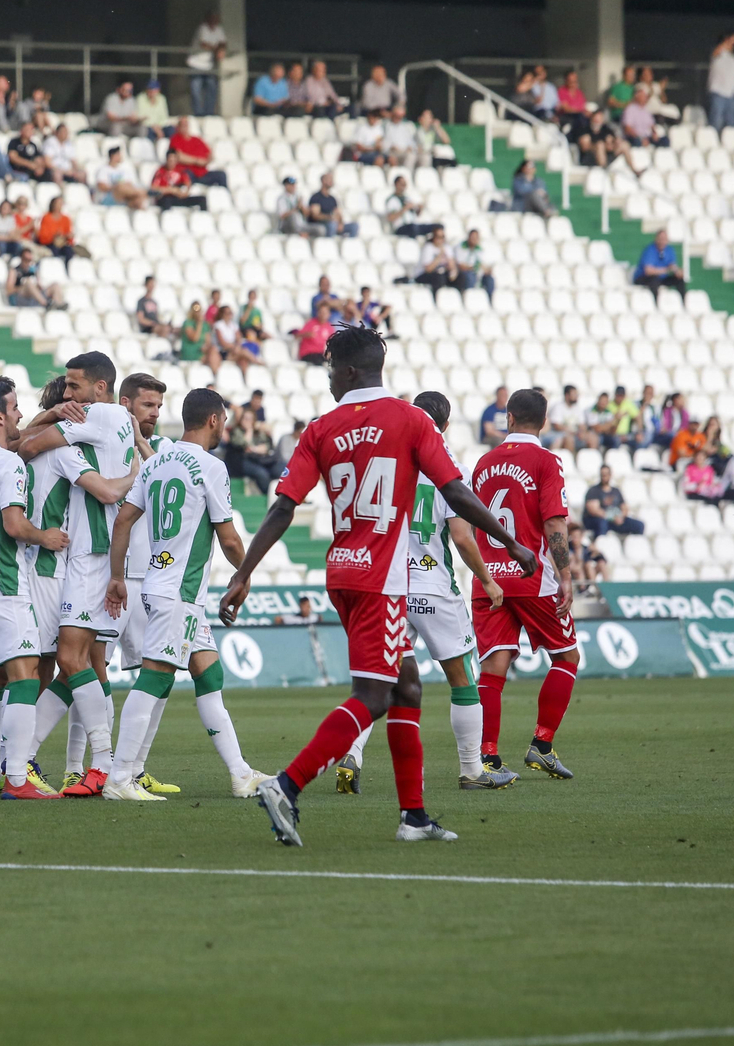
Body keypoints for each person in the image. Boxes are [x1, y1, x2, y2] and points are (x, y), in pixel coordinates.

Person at [219, 325, 532, 847]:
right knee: (375, 694)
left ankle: (413, 817)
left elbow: (282, 507)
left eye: (328, 370)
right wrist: (513, 544)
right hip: (383, 580)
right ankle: (286, 784)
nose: (326, 379)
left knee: (407, 687)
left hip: (342, 571)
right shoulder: (411, 420)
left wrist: (244, 571)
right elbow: (454, 492)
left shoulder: (321, 428)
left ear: (347, 370)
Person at [335, 392, 518, 794]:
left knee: (379, 680)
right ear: (447, 425)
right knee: (462, 679)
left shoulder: (387, 459)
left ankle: (352, 754)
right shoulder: (449, 463)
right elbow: (461, 537)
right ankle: (472, 770)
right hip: (433, 586)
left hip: (390, 586)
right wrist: (487, 579)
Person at [100, 387, 269, 800]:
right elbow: (229, 540)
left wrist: (117, 575)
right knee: (155, 678)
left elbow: (123, 520)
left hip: (165, 587)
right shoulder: (211, 467)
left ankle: (240, 773)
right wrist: (243, 574)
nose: (225, 426)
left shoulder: (156, 461)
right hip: (178, 592)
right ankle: (120, 778)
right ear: (214, 420)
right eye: (224, 420)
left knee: (208, 673)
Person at [5, 355, 152, 800]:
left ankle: (101, 766)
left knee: (72, 663)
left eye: (74, 388)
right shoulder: (112, 424)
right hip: (93, 558)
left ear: (100, 388)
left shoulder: (97, 417)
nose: (70, 398)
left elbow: (24, 445)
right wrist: (137, 474)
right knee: (76, 664)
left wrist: (49, 418)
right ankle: (41, 760)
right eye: (65, 391)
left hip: (90, 556)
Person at [466, 388, 583, 780]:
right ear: (545, 422)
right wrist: (565, 574)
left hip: (488, 580)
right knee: (567, 657)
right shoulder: (547, 460)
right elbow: (553, 523)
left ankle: (488, 758)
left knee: (494, 670)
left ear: (509, 418)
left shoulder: (483, 463)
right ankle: (542, 744)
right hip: (531, 578)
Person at [583, 465, 644, 540]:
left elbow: (624, 507)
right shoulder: (594, 490)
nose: (604, 476)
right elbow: (593, 510)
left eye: (606, 474)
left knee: (639, 525)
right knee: (602, 524)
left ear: (610, 475)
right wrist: (611, 517)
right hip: (602, 520)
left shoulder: (616, 491)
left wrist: (620, 516)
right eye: (602, 474)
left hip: (616, 519)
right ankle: (601, 545)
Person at [167, 116, 228, 187]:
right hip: (187, 173)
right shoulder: (175, 139)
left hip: (202, 173)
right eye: (182, 124)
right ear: (178, 127)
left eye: (186, 124)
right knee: (186, 175)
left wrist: (206, 161)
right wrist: (197, 161)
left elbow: (209, 154)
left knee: (221, 175)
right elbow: (178, 156)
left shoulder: (197, 140)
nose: (184, 127)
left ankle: (224, 195)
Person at [708, 33, 734, 133]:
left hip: (730, 95)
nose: (732, 45)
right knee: (716, 120)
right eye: (730, 42)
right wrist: (730, 39)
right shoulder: (719, 54)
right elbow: (719, 49)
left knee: (731, 123)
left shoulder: (733, 59)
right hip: (718, 93)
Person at [188, 10, 226, 116]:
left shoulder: (219, 29)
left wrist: (221, 50)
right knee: (196, 91)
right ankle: (198, 113)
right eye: (212, 18)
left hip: (209, 65)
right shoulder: (202, 28)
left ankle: (209, 113)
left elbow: (223, 43)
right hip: (195, 63)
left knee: (212, 89)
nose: (215, 21)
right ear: (207, 19)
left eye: (216, 19)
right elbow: (203, 44)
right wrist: (217, 50)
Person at [634, 229, 687, 297]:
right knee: (654, 280)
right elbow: (648, 271)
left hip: (661, 279)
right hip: (643, 278)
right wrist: (666, 270)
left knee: (679, 280)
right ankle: (656, 304)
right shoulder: (650, 250)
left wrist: (678, 272)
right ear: (656, 239)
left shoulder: (669, 250)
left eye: (664, 239)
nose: (662, 241)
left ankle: (683, 302)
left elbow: (673, 266)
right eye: (661, 238)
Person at [94, 145, 147, 210]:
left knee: (136, 198)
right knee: (136, 192)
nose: (121, 156)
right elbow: (101, 186)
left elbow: (129, 185)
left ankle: (138, 206)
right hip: (109, 196)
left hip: (124, 197)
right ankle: (139, 196)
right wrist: (117, 187)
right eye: (118, 155)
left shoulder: (123, 170)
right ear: (113, 156)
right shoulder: (103, 170)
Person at [306, 172, 356, 237]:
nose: (332, 181)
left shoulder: (332, 199)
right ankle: (328, 244)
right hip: (321, 224)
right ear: (323, 181)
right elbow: (315, 216)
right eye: (329, 179)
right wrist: (330, 217)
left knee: (354, 226)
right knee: (332, 225)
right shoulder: (316, 197)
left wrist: (340, 223)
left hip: (333, 223)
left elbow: (338, 213)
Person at [414, 226, 460, 294]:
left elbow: (452, 266)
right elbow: (428, 269)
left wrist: (453, 272)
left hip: (440, 273)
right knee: (439, 278)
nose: (440, 240)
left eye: (442, 237)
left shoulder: (447, 248)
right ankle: (436, 298)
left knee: (460, 277)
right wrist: (439, 256)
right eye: (438, 237)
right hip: (423, 274)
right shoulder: (428, 248)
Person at [456, 229, 494, 295]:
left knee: (489, 279)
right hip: (465, 273)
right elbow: (460, 265)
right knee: (470, 276)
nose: (474, 240)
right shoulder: (461, 247)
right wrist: (472, 268)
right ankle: (469, 297)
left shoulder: (479, 250)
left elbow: (482, 264)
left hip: (477, 273)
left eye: (476, 238)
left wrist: (487, 271)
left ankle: (489, 300)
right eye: (473, 237)